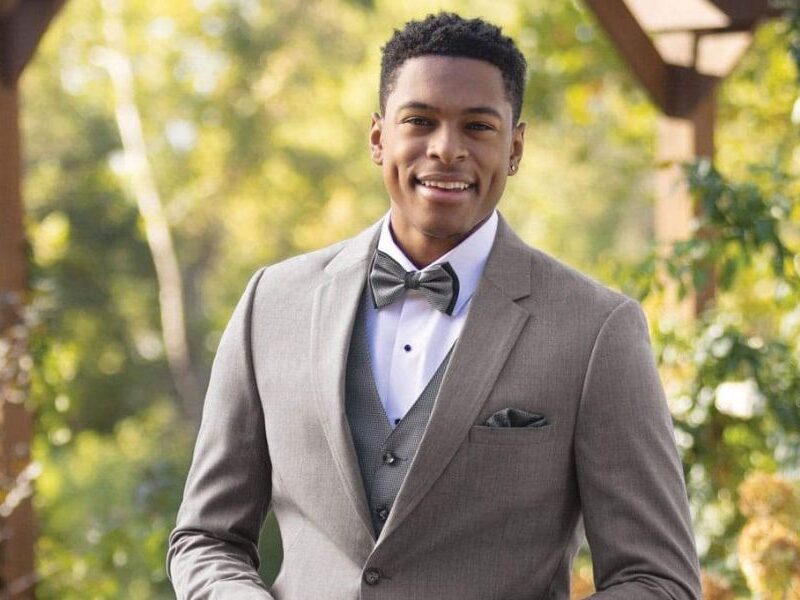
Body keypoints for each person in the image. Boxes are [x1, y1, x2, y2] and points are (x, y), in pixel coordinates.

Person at [167, 12, 702, 599]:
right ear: (379, 138)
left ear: (515, 147)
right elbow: (206, 538)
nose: (446, 150)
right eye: (420, 121)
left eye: (478, 127)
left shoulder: (595, 329)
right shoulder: (274, 302)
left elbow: (658, 580)